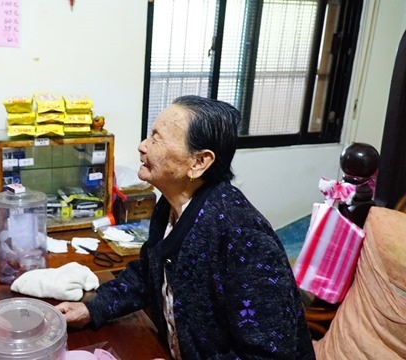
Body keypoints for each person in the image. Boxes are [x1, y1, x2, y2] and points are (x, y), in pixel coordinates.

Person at [57, 96, 316, 359]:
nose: (142, 146)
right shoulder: (169, 204)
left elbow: (269, 355)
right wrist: (93, 308)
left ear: (199, 162)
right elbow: (149, 274)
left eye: (156, 139)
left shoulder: (240, 236)